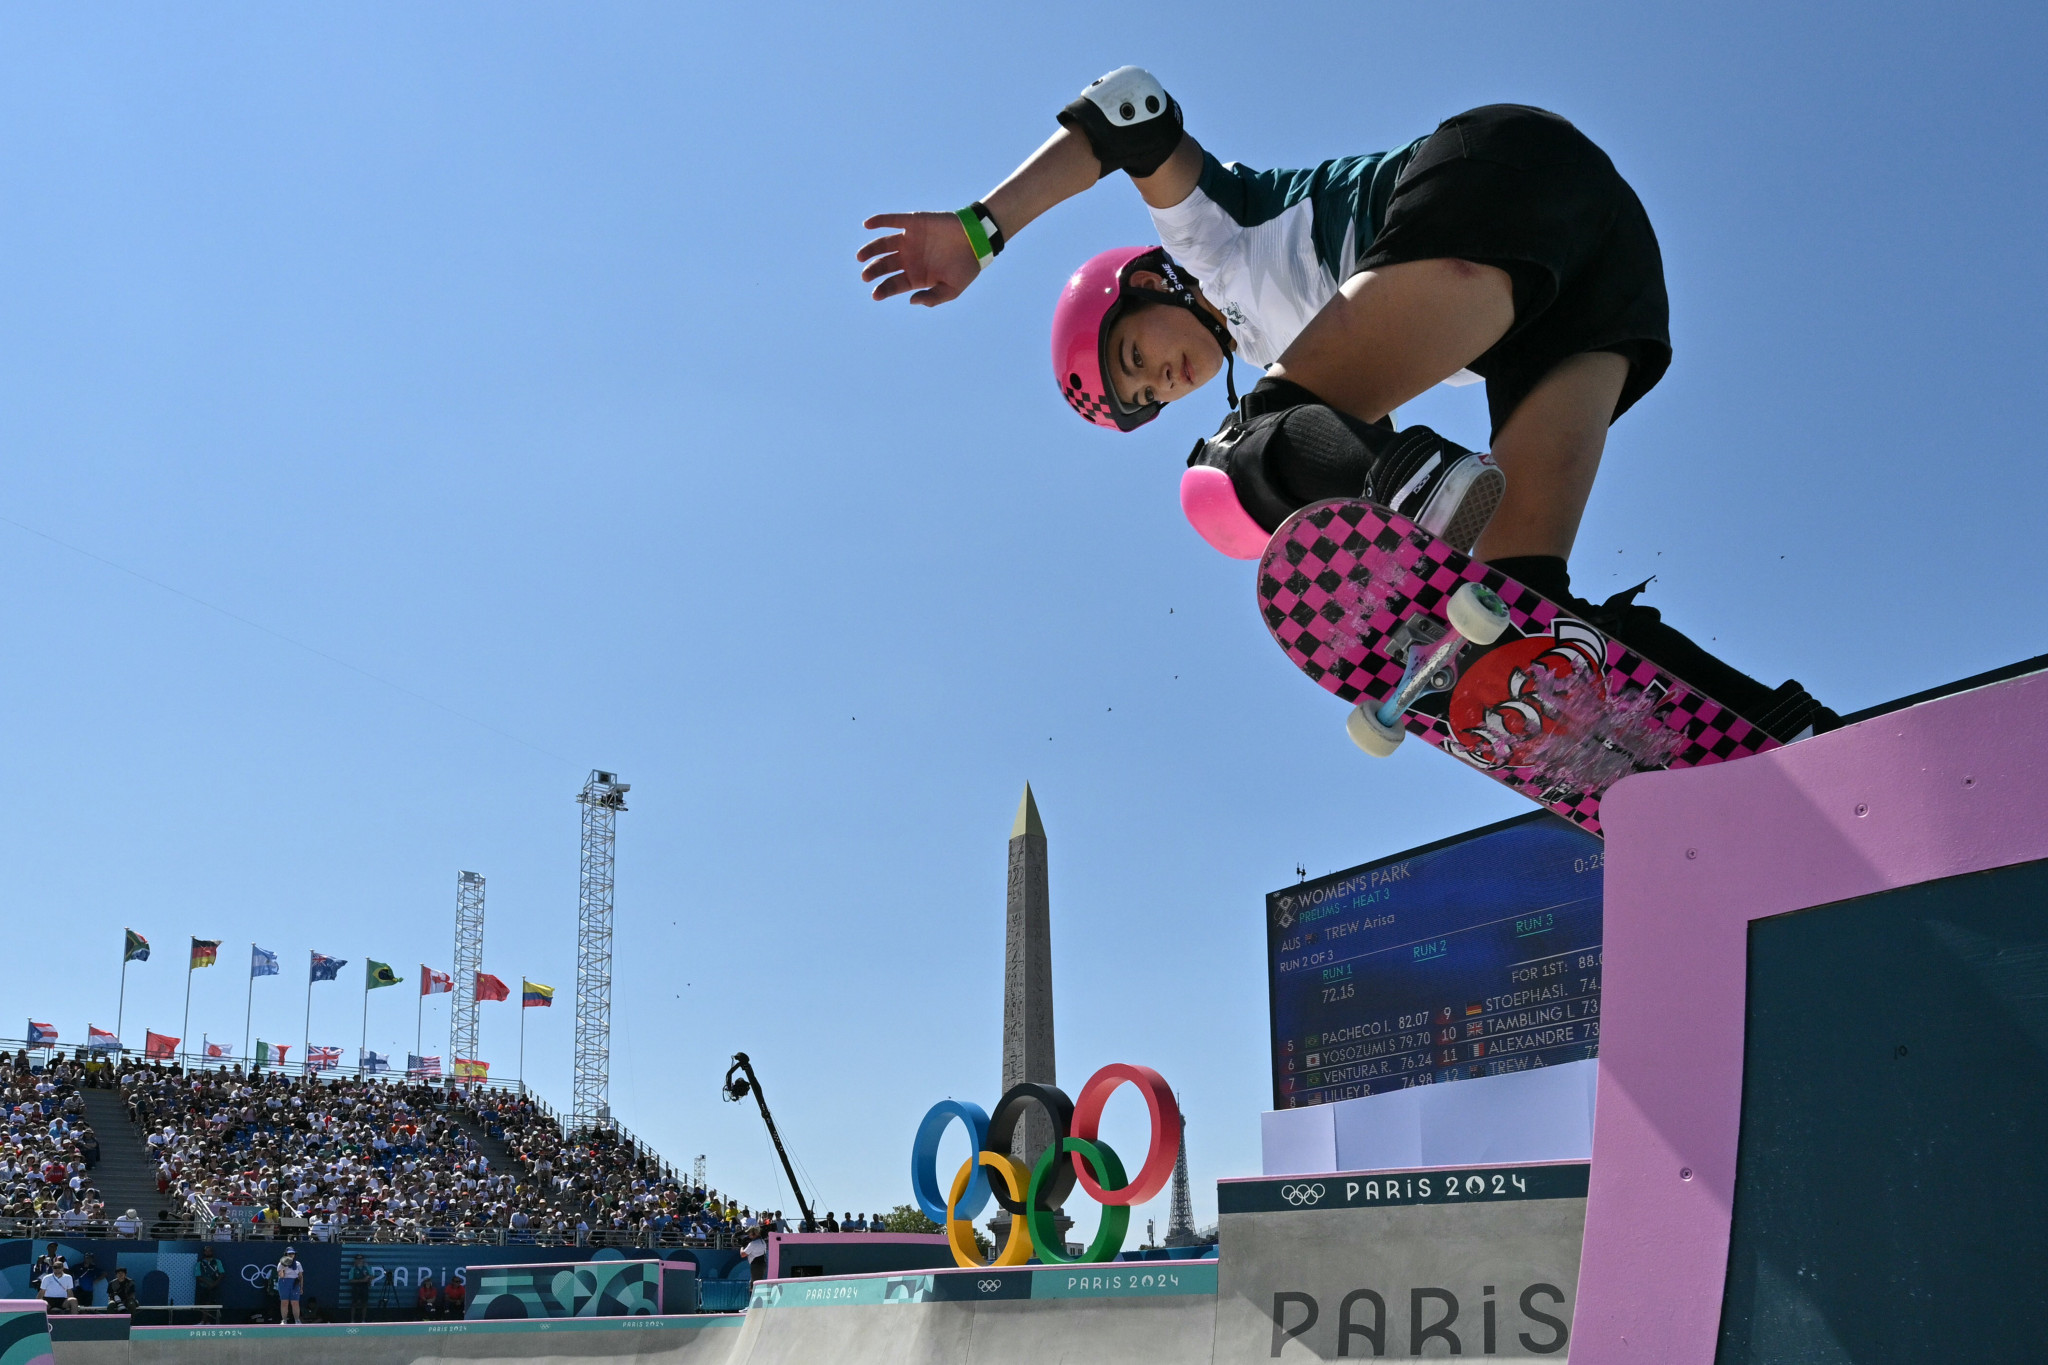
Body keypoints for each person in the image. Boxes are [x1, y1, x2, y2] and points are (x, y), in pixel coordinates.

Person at [860, 68, 1835, 740]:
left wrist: (983, 229)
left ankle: (1400, 483)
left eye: (1133, 357)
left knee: (1233, 464)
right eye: (1141, 399)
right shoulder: (1295, 353)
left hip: (1502, 175)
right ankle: (1784, 737)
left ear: (1148, 285)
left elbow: (1129, 109)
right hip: (1593, 281)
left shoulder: (1205, 233)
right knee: (1517, 618)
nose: (1156, 383)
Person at [195, 1247, 227, 1324]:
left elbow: (222, 1273)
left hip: (214, 1287)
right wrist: (208, 1283)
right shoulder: (200, 1263)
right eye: (206, 1251)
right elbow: (198, 1276)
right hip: (204, 1287)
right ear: (204, 1252)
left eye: (210, 1251)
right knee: (203, 1304)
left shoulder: (217, 1262)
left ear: (212, 1252)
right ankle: (205, 1321)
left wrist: (214, 1284)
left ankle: (204, 1321)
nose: (208, 1253)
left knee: (210, 1303)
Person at [275, 1247, 305, 1325]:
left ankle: (297, 1320)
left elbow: (301, 1276)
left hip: (295, 1283)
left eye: (293, 1253)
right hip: (284, 1282)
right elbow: (281, 1276)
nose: (291, 1255)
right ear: (286, 1254)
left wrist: (301, 1287)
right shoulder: (280, 1263)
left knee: (295, 1302)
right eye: (290, 1254)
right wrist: (284, 1267)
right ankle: (284, 1320)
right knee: (284, 1302)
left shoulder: (298, 1264)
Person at [347, 1255, 372, 1323]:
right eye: (357, 1259)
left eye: (361, 1259)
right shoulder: (353, 1268)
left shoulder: (366, 1267)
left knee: (364, 1304)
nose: (359, 1260)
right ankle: (352, 1320)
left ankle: (363, 1320)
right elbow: (350, 1280)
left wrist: (368, 1279)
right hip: (356, 1287)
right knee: (354, 1303)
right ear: (355, 1260)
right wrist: (362, 1280)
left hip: (364, 1287)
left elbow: (372, 1276)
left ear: (363, 1260)